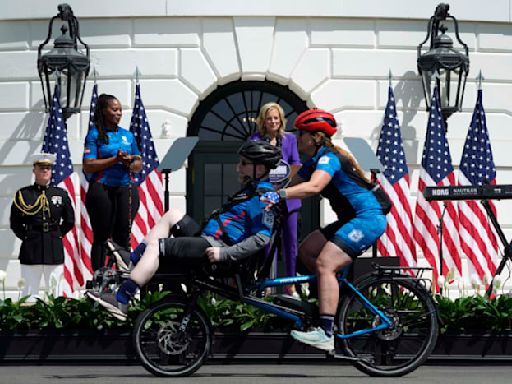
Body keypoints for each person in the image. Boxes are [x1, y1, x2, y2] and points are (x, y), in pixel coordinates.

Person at [86, 141, 282, 321]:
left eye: (245, 163)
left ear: (261, 168)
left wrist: (225, 253)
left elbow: (261, 238)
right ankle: (134, 260)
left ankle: (122, 299)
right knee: (172, 214)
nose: (238, 167)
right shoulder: (251, 190)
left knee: (155, 247)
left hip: (217, 248)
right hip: (209, 238)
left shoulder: (263, 198)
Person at [277, 109, 390, 351]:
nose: (297, 138)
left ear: (316, 137)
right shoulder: (314, 161)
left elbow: (314, 187)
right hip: (350, 219)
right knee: (307, 251)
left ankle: (326, 332)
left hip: (366, 219)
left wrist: (279, 195)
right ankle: (331, 298)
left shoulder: (329, 158)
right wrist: (258, 188)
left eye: (301, 134)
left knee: (325, 263)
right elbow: (291, 182)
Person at [82, 94, 143, 271]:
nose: (118, 114)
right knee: (102, 236)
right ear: (103, 111)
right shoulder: (94, 134)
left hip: (125, 188)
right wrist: (114, 160)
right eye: (114, 110)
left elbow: (138, 164)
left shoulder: (127, 135)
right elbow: (89, 165)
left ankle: (124, 276)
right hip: (102, 188)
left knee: (123, 234)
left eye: (120, 110)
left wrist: (129, 161)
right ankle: (99, 277)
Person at [250, 102, 302, 297]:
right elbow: (249, 166)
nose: (273, 121)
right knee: (265, 242)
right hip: (264, 198)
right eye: (269, 118)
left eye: (276, 118)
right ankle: (266, 284)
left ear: (281, 120)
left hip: (287, 198)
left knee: (290, 243)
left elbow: (296, 163)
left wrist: (286, 181)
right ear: (263, 120)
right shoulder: (255, 139)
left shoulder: (290, 139)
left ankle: (291, 285)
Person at [10, 153, 75, 300]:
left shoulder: (60, 194)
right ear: (34, 170)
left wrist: (57, 234)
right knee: (29, 293)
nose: (45, 171)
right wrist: (27, 236)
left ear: (51, 171)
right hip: (32, 246)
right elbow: (15, 223)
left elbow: (69, 220)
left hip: (54, 246)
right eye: (41, 168)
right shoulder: (24, 195)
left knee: (55, 291)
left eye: (48, 168)